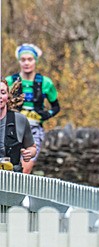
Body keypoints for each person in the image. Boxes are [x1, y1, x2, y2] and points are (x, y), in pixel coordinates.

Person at [6, 43, 60, 174]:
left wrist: (46, 115)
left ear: (35, 60)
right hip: (12, 126)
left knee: (25, 168)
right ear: (19, 61)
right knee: (8, 166)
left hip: (34, 129)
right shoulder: (9, 81)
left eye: (29, 59)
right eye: (23, 59)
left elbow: (56, 107)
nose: (26, 63)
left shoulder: (46, 83)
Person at [0, 79, 37, 172]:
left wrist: (29, 153)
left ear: (8, 96)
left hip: (11, 180)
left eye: (3, 92)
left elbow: (32, 147)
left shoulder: (19, 120)